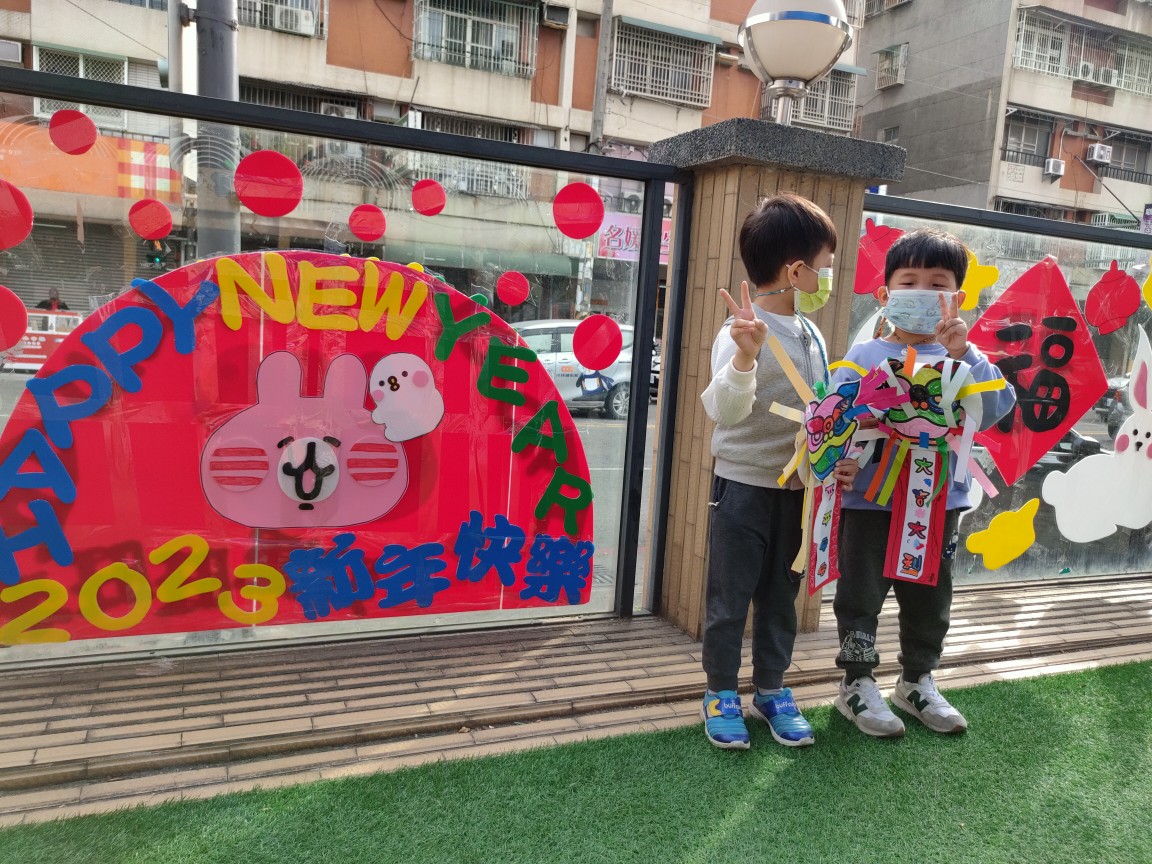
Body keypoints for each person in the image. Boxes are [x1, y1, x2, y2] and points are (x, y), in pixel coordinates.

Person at [831, 228, 1016, 738]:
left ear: (958, 297)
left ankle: (917, 679)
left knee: (930, 596)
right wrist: (841, 460)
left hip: (938, 500)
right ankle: (856, 683)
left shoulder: (966, 358)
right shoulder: (863, 356)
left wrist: (967, 354)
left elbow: (997, 411)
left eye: (937, 283)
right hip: (869, 501)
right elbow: (832, 422)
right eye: (908, 281)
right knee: (860, 595)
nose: (922, 292)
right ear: (885, 294)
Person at [699, 193, 857, 749]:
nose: (828, 277)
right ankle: (721, 693)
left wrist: (835, 460)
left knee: (781, 600)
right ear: (797, 271)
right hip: (742, 488)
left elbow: (820, 416)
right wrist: (745, 357)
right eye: (826, 266)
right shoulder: (740, 329)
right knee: (729, 601)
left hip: (798, 490)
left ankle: (770, 689)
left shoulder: (811, 332)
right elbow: (723, 411)